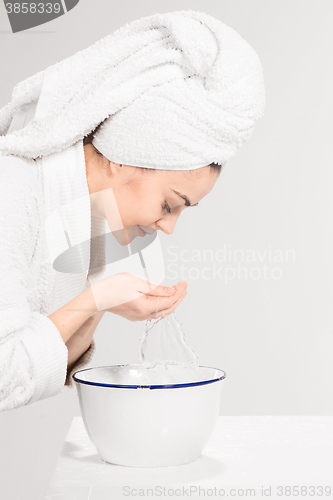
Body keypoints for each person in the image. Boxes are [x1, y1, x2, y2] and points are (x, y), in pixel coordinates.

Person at [0, 10, 265, 411]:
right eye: (169, 204)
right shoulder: (12, 189)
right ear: (125, 155)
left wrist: (101, 299)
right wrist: (94, 298)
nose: (169, 227)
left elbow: (53, 363)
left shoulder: (87, 218)